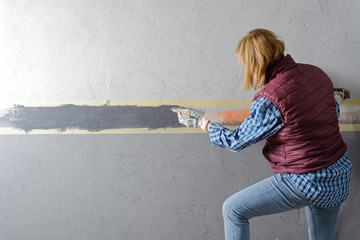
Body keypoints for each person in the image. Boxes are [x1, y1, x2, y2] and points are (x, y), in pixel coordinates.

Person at [175, 28, 352, 240]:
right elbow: (334, 109)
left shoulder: (272, 98)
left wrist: (201, 122)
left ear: (256, 62)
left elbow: (237, 141)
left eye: (245, 64)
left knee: (233, 210)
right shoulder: (317, 73)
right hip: (338, 174)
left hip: (306, 180)